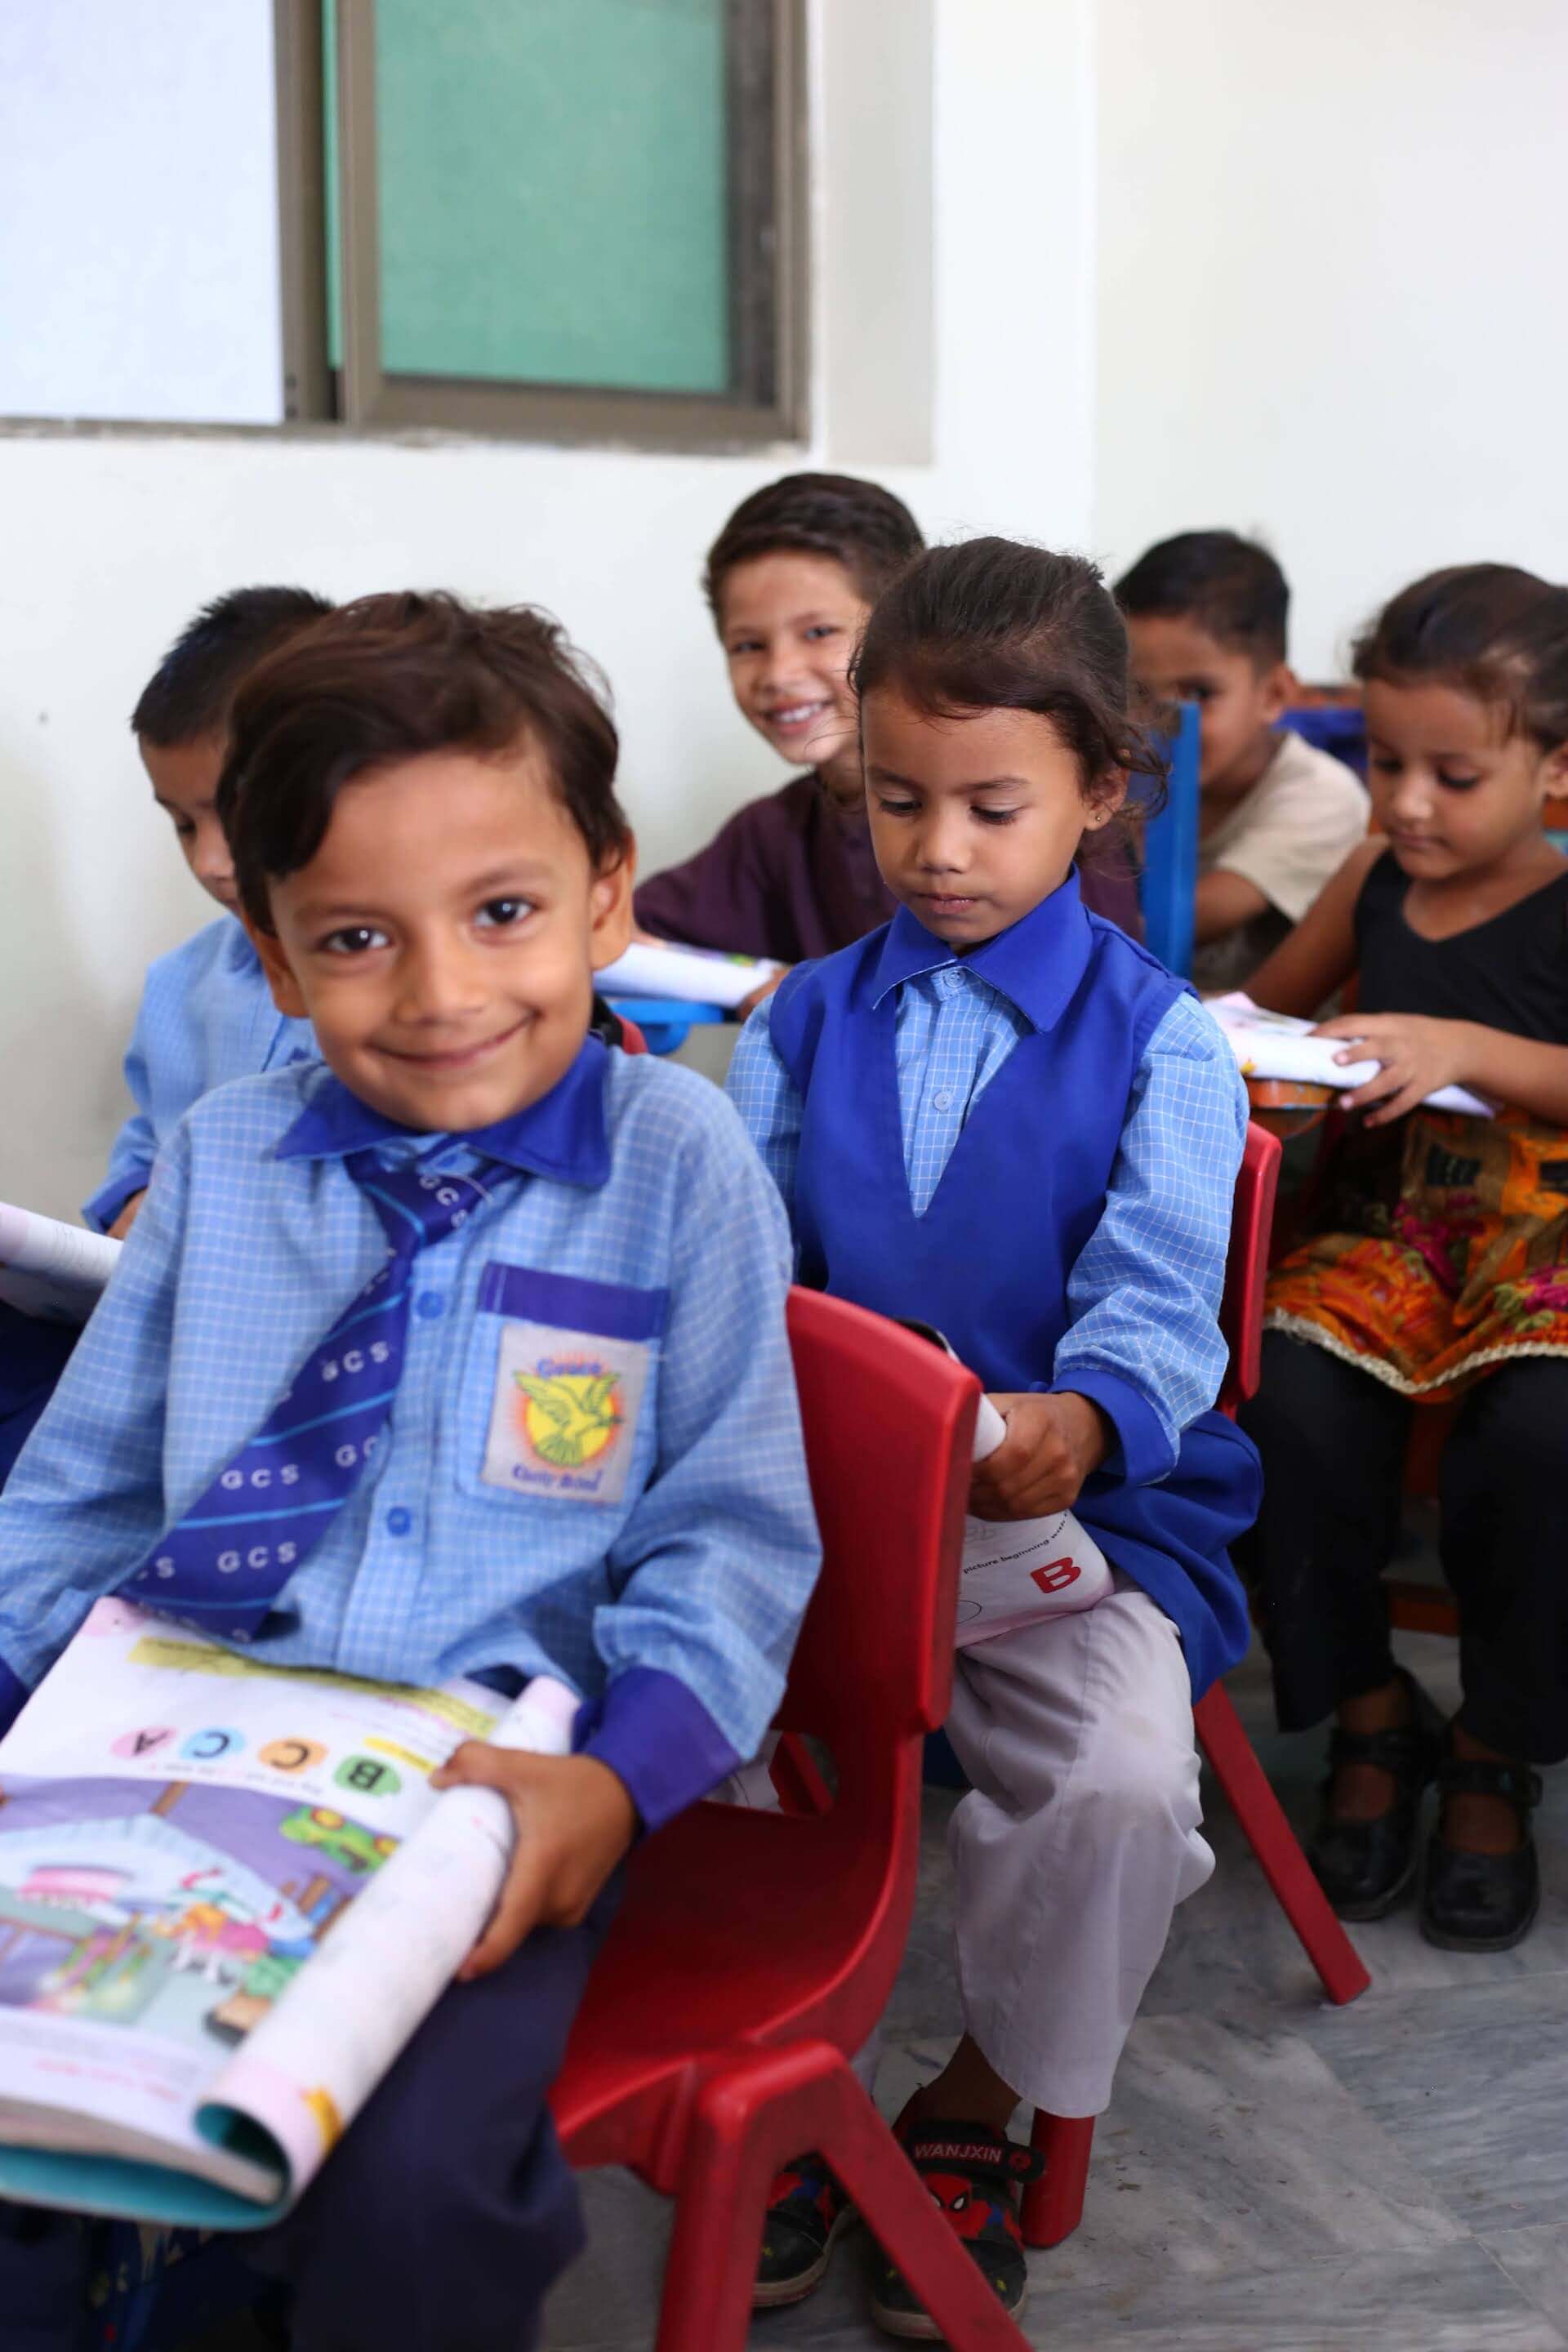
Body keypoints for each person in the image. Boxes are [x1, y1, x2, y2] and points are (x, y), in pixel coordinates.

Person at [0, 592, 821, 2352]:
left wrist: (624, 1778)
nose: (444, 994)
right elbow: (74, 1497)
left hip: (486, 1797)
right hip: (156, 1749)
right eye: (359, 939)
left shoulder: (679, 1165)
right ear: (276, 960)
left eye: (504, 913)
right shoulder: (222, 1163)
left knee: (419, 2192)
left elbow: (734, 1535)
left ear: (609, 891)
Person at [727, 538, 1258, 2334]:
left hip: (1072, 1530)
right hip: (818, 1511)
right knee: (675, 1719)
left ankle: (975, 2090)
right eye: (896, 803)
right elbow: (749, 1266)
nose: (939, 850)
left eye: (992, 806)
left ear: (1100, 793)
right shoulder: (795, 1025)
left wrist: (1088, 1411)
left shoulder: (1163, 1045)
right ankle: (767, 2066)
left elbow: (1165, 1288)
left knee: (1116, 1779)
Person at [1237, 564, 1568, 1955]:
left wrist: (1468, 1053)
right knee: (1283, 1399)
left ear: (1554, 769)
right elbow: (1268, 1008)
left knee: (1543, 1437)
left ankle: (1497, 1746)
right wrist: (1220, 1044)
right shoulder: (1374, 878)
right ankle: (1372, 1708)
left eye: (1455, 772)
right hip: (1386, 1232)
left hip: (1542, 1235)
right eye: (1384, 762)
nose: (1408, 803)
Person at [0, 587, 331, 1490]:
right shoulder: (182, 985)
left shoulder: (386, 991)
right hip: (158, 1313)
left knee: (60, 1452)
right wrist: (132, 1200)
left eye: (235, 810)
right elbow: (145, 1141)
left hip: (291, 1339)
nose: (211, 859)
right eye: (183, 822)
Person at [635, 474, 1142, 1008]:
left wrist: (822, 999)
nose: (779, 673)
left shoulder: (1059, 816)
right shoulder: (775, 832)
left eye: (818, 633)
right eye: (748, 644)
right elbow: (624, 932)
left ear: (898, 633)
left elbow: (1085, 1000)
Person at [1116, 530, 1366, 991]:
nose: (1162, 722)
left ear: (1273, 694)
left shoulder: (1320, 797)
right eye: (1137, 694)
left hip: (1255, 1049)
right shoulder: (1119, 776)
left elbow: (1167, 928)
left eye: (1199, 695)